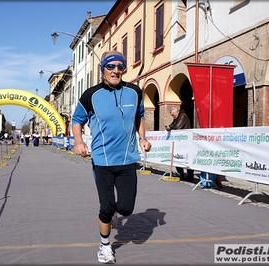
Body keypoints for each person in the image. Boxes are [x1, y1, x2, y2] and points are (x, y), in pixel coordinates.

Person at [72, 50, 152, 264]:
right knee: (106, 207)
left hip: (127, 159)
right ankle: (105, 245)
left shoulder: (134, 91)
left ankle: (115, 215)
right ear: (103, 70)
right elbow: (77, 120)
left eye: (120, 66)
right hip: (102, 161)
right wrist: (78, 142)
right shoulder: (91, 95)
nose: (116, 70)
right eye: (111, 66)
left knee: (125, 208)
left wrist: (142, 137)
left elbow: (140, 116)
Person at [165, 106, 194, 180]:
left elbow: (178, 126)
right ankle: (180, 173)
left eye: (173, 115)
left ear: (177, 112)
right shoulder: (176, 117)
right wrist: (169, 127)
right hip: (180, 141)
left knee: (187, 157)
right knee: (177, 156)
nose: (172, 117)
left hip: (185, 140)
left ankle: (190, 175)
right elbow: (173, 124)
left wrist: (171, 128)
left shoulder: (183, 116)